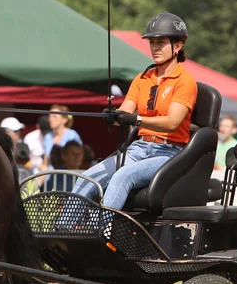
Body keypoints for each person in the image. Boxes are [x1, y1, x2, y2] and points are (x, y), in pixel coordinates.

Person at [71, 13, 197, 211]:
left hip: (168, 153)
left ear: (178, 46)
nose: (155, 48)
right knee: (88, 178)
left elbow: (173, 122)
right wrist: (112, 117)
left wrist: (136, 120)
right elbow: (125, 112)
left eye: (161, 42)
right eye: (152, 42)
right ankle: (63, 234)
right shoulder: (142, 78)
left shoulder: (185, 81)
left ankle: (103, 233)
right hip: (138, 149)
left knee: (123, 175)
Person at [212, 114, 237, 181]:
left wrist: (217, 168)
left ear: (234, 130)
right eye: (221, 125)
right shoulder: (215, 143)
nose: (223, 129)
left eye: (226, 126)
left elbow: (234, 171)